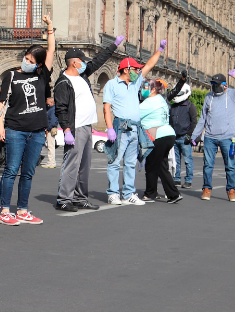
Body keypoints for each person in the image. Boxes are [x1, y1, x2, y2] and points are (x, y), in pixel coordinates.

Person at [0, 15, 56, 226]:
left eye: (31, 61)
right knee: (11, 170)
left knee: (28, 173)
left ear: (38, 64)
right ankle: (5, 210)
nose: (27, 62)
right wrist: (0, 126)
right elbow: (2, 103)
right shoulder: (11, 76)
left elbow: (51, 51)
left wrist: (50, 28)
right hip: (15, 130)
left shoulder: (42, 76)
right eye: (26, 58)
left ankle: (22, 210)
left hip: (37, 132)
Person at [52, 38, 122, 211]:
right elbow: (61, 108)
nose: (85, 64)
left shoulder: (82, 75)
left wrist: (113, 46)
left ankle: (80, 197)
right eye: (82, 61)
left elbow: (97, 61)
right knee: (71, 165)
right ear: (74, 63)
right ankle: (64, 199)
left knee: (84, 166)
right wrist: (66, 130)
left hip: (87, 126)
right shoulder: (63, 82)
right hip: (75, 128)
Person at [102, 43, 165, 207]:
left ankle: (128, 194)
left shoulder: (136, 83)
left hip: (135, 128)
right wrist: (110, 128)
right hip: (121, 127)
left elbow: (149, 65)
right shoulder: (112, 85)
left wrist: (160, 50)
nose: (138, 72)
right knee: (115, 161)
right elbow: (106, 107)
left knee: (130, 163)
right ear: (126, 70)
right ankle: (113, 193)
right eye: (136, 69)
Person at [190, 70, 235, 202]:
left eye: (217, 85)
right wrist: (194, 135)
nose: (215, 87)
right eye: (213, 85)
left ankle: (231, 190)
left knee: (230, 166)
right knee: (208, 165)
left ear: (225, 85)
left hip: (227, 137)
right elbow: (203, 118)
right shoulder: (208, 97)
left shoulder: (233, 94)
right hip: (210, 137)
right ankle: (206, 189)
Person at [140, 77, 184, 204]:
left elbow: (135, 115)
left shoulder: (150, 102)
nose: (143, 90)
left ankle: (161, 194)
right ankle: (158, 193)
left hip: (158, 135)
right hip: (168, 134)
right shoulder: (161, 99)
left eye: (145, 87)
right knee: (158, 164)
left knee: (155, 165)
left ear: (153, 89)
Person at [169, 82, 198, 187]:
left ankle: (188, 180)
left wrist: (189, 135)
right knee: (175, 160)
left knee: (188, 160)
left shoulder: (190, 106)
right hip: (174, 137)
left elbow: (194, 122)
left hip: (184, 136)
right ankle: (176, 178)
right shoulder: (173, 106)